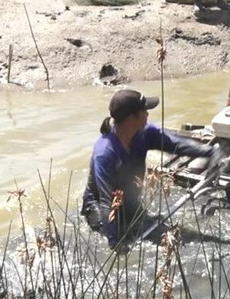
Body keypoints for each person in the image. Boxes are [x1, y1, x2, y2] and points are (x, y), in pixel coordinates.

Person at [81, 89, 217, 250]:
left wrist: (211, 152)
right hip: (99, 208)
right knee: (127, 244)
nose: (147, 114)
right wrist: (115, 242)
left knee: (167, 238)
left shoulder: (144, 134)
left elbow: (176, 144)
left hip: (130, 202)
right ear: (132, 118)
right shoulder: (105, 152)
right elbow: (106, 202)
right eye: (144, 110)